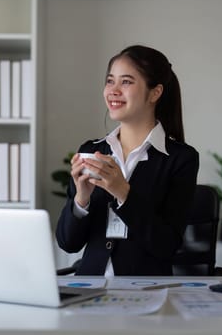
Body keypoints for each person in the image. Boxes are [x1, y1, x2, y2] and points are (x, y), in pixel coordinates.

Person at [56, 45, 199, 276]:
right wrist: (82, 199)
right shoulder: (91, 151)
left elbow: (167, 246)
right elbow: (67, 243)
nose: (113, 90)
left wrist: (123, 193)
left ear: (155, 93)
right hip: (89, 290)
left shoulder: (181, 159)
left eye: (126, 82)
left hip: (147, 291)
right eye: (110, 81)